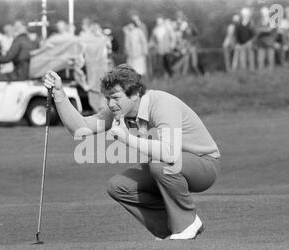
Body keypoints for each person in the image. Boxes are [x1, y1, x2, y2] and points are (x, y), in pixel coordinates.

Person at [43, 64, 221, 240]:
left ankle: (187, 223)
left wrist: (127, 138)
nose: (111, 104)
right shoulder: (120, 110)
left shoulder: (162, 104)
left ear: (135, 94)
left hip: (204, 164)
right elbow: (80, 128)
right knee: (118, 186)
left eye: (116, 97)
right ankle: (172, 227)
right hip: (168, 167)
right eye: (107, 98)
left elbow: (169, 153)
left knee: (159, 164)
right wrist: (59, 94)